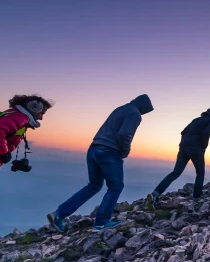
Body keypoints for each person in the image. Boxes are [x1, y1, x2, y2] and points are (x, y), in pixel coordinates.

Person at [47, 94, 153, 232]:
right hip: (109, 151)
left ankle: (59, 214)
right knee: (116, 186)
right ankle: (101, 223)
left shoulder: (121, 109)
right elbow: (124, 134)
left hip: (94, 149)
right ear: (144, 107)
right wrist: (125, 151)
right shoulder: (135, 113)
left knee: (94, 185)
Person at [0, 95, 53, 224]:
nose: (41, 117)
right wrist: (2, 152)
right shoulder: (20, 117)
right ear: (34, 108)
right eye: (41, 113)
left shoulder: (12, 115)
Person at [146, 107, 210, 210]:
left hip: (183, 148)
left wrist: (183, 144)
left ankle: (155, 194)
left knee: (175, 173)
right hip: (196, 149)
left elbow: (183, 132)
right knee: (200, 173)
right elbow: (206, 133)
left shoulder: (196, 120)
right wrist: (203, 146)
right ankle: (197, 199)